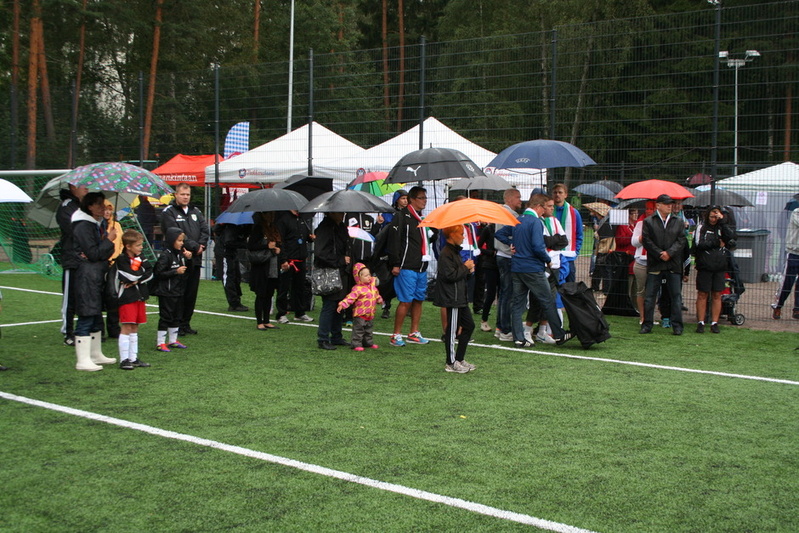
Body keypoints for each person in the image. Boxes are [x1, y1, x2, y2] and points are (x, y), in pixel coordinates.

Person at [496, 193, 572, 348]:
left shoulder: (518, 219)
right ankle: (559, 334)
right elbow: (538, 247)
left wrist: (510, 244)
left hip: (517, 267)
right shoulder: (536, 222)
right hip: (532, 268)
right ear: (538, 206)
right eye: (544, 207)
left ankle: (519, 338)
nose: (545, 211)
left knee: (518, 303)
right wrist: (547, 259)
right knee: (547, 300)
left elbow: (499, 233)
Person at [71, 192, 118, 371]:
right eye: (98, 204)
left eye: (103, 204)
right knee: (87, 314)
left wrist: (106, 242)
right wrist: (108, 240)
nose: (103, 208)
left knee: (97, 315)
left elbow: (103, 253)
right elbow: (94, 253)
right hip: (87, 276)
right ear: (89, 206)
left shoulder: (96, 224)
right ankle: (82, 360)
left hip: (96, 274)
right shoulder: (83, 225)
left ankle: (95, 354)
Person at [387, 186, 434, 347]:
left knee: (419, 300)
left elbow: (427, 241)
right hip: (406, 266)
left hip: (421, 266)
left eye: (425, 198)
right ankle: (396, 334)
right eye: (421, 198)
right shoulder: (401, 216)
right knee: (405, 301)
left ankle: (414, 332)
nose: (424, 201)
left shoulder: (423, 219)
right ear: (412, 199)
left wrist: (433, 232)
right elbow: (394, 241)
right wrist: (395, 263)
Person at [160, 182, 209, 336]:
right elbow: (174, 233)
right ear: (176, 195)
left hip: (195, 258)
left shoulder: (196, 211)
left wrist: (201, 246)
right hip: (178, 258)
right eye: (182, 194)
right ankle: (176, 324)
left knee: (191, 293)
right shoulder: (169, 212)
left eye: (188, 194)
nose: (185, 197)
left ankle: (186, 323)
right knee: (178, 293)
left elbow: (205, 230)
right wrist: (194, 246)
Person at [640, 194, 687, 335]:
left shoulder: (678, 221)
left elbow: (682, 240)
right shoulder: (648, 221)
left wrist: (670, 253)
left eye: (671, 204)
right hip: (655, 264)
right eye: (666, 204)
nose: (670, 206)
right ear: (658, 205)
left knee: (676, 296)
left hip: (673, 265)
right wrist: (660, 253)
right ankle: (647, 324)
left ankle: (677, 326)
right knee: (650, 296)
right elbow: (646, 240)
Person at [434, 225, 476, 373]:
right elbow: (450, 276)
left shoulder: (454, 252)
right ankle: (451, 362)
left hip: (459, 297)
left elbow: (458, 275)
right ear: (452, 235)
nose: (463, 237)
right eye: (461, 234)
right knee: (452, 331)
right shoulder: (446, 253)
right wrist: (465, 267)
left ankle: (459, 358)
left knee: (469, 326)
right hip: (452, 298)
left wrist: (468, 271)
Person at [110, 229, 154, 369]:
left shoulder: (141, 257)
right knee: (127, 326)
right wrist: (139, 275)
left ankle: (133, 358)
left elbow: (150, 272)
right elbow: (130, 276)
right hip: (127, 297)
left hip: (140, 296)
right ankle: (124, 359)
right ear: (128, 246)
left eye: (141, 245)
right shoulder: (121, 259)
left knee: (135, 326)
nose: (141, 248)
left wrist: (138, 280)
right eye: (138, 245)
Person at [693, 206, 735, 333]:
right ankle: (701, 322)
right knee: (702, 294)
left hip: (719, 266)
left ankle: (714, 323)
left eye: (716, 217)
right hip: (705, 266)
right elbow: (699, 244)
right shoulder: (701, 227)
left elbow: (731, 238)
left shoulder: (722, 227)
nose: (713, 219)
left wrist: (723, 222)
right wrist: (716, 243)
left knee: (717, 294)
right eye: (711, 216)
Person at [56, 183, 88, 346]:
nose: (86, 188)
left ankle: (85, 330)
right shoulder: (66, 206)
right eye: (83, 185)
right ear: (73, 187)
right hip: (72, 258)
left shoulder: (84, 205)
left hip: (86, 259)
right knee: (70, 297)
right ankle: (68, 332)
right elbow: (73, 229)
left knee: (85, 295)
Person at [314, 212, 351, 350]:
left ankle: (336, 336)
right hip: (330, 271)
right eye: (339, 212)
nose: (343, 214)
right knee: (329, 305)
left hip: (340, 270)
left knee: (339, 305)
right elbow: (320, 253)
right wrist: (340, 260)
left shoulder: (340, 226)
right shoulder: (325, 228)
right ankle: (323, 338)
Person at [153, 227, 192, 352]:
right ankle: (160, 343)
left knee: (177, 316)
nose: (181, 243)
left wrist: (189, 259)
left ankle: (173, 340)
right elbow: (158, 273)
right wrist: (175, 271)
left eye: (182, 241)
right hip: (167, 292)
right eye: (179, 240)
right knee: (166, 317)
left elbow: (186, 271)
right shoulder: (165, 255)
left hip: (178, 291)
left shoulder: (180, 254)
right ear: (171, 240)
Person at [275, 210, 314, 324]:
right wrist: (283, 260)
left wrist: (310, 237)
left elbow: (305, 236)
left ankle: (299, 312)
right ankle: (281, 313)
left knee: (299, 287)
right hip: (289, 260)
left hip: (300, 259)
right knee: (283, 287)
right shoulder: (283, 220)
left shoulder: (302, 219)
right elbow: (280, 241)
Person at [494, 188, 522, 342]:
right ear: (510, 199)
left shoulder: (502, 212)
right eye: (518, 197)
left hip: (502, 255)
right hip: (507, 256)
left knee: (504, 294)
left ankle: (500, 327)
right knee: (508, 294)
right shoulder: (508, 214)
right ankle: (505, 329)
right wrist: (511, 246)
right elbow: (504, 236)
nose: (520, 200)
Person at [376, 189, 408, 319]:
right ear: (396, 200)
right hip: (389, 252)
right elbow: (381, 234)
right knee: (387, 281)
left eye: (407, 198)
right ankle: (386, 306)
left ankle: (407, 305)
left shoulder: (410, 214)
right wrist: (379, 223)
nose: (405, 201)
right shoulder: (387, 214)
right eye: (403, 198)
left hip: (404, 251)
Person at [337, 262, 382, 351]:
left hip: (370, 314)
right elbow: (350, 298)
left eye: (369, 275)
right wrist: (342, 304)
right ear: (359, 277)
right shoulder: (357, 289)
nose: (369, 277)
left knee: (368, 329)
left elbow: (376, 295)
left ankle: (368, 343)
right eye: (366, 276)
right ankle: (356, 344)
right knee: (358, 330)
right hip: (360, 314)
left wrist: (379, 299)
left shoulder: (373, 287)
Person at [248, 212, 282, 331]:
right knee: (261, 294)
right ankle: (259, 321)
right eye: (269, 213)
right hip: (261, 266)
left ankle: (266, 320)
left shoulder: (273, 228)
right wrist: (267, 246)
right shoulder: (258, 228)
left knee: (269, 293)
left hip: (272, 265)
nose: (272, 215)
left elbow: (276, 244)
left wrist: (276, 249)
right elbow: (251, 245)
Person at [551, 184, 583, 283]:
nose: (557, 194)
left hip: (568, 255)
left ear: (566, 195)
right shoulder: (548, 212)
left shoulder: (574, 213)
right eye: (555, 192)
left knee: (570, 286)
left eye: (560, 192)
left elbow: (579, 234)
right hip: (552, 255)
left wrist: (576, 251)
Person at [772, 206, 799, 319]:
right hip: (793, 253)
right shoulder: (796, 212)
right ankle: (778, 306)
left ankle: (797, 309)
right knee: (787, 283)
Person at [102, 199, 123, 340]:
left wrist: (119, 257)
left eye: (110, 209)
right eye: (105, 209)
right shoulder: (98, 226)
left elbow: (121, 243)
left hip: (115, 264)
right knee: (99, 296)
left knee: (114, 296)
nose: (108, 212)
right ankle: (98, 329)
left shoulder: (117, 225)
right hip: (101, 263)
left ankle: (113, 328)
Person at [219, 222, 250, 312]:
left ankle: (236, 301)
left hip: (232, 252)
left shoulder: (238, 226)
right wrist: (244, 244)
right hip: (225, 253)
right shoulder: (230, 227)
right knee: (229, 277)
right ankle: (233, 303)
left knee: (236, 276)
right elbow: (228, 242)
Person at [477, 222, 498, 332]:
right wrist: (490, 253)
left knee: (503, 294)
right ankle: (484, 320)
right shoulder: (488, 229)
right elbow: (478, 246)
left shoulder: (507, 227)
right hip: (490, 265)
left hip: (503, 264)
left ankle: (501, 323)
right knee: (490, 294)